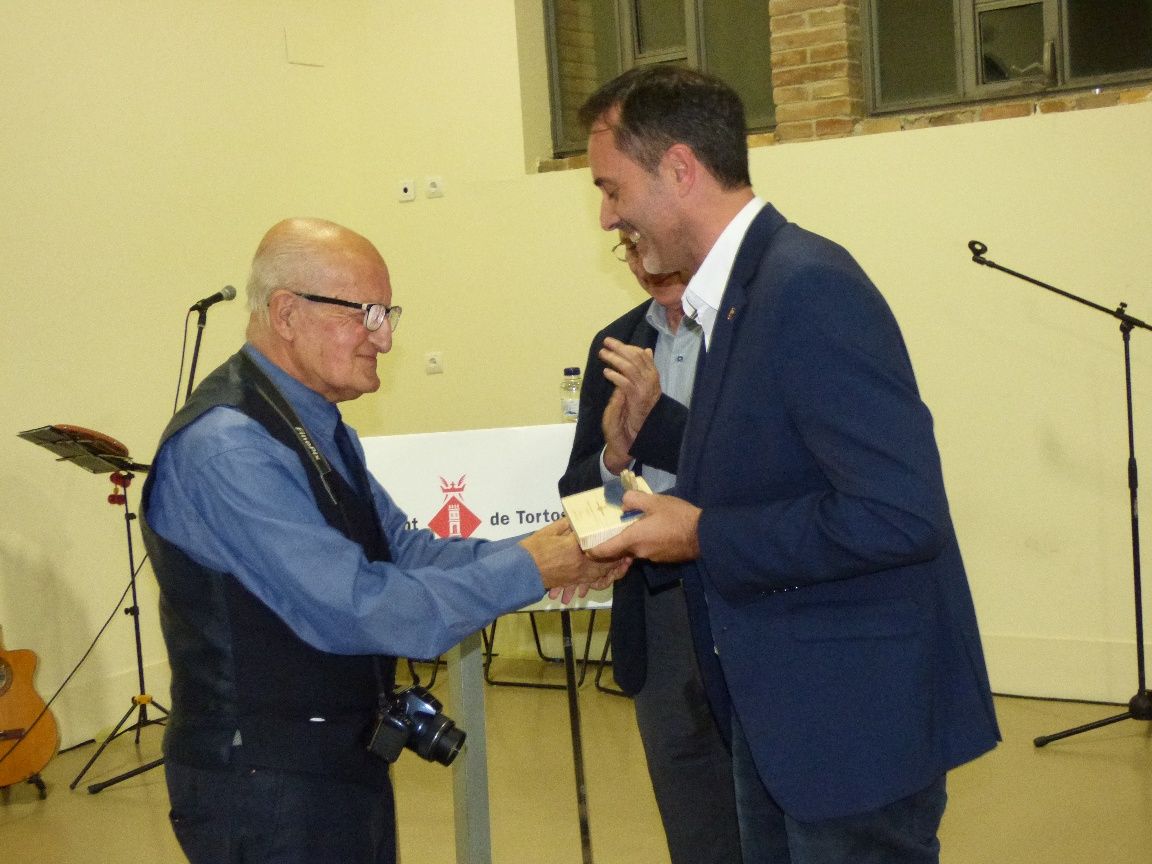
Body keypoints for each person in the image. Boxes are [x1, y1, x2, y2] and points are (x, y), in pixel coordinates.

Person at [580, 67, 1000, 864]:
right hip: (782, 719)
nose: (607, 215)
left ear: (678, 169)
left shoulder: (807, 288)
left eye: (612, 188)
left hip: (851, 727)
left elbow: (897, 514)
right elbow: (771, 456)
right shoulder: (740, 293)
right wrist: (656, 432)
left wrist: (704, 535)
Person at [140, 217, 625, 864]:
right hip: (266, 787)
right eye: (366, 314)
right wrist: (536, 567)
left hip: (336, 765)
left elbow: (406, 551)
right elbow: (357, 606)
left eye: (388, 313)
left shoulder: (318, 425)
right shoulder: (228, 448)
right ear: (287, 313)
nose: (387, 339)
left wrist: (561, 547)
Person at [559, 233, 741, 864]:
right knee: (691, 814)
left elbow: (753, 469)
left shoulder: (744, 331)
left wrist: (657, 421)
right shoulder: (616, 343)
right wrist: (614, 455)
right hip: (653, 607)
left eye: (654, 246)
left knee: (765, 807)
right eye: (629, 252)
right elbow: (577, 487)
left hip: (737, 594)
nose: (646, 266)